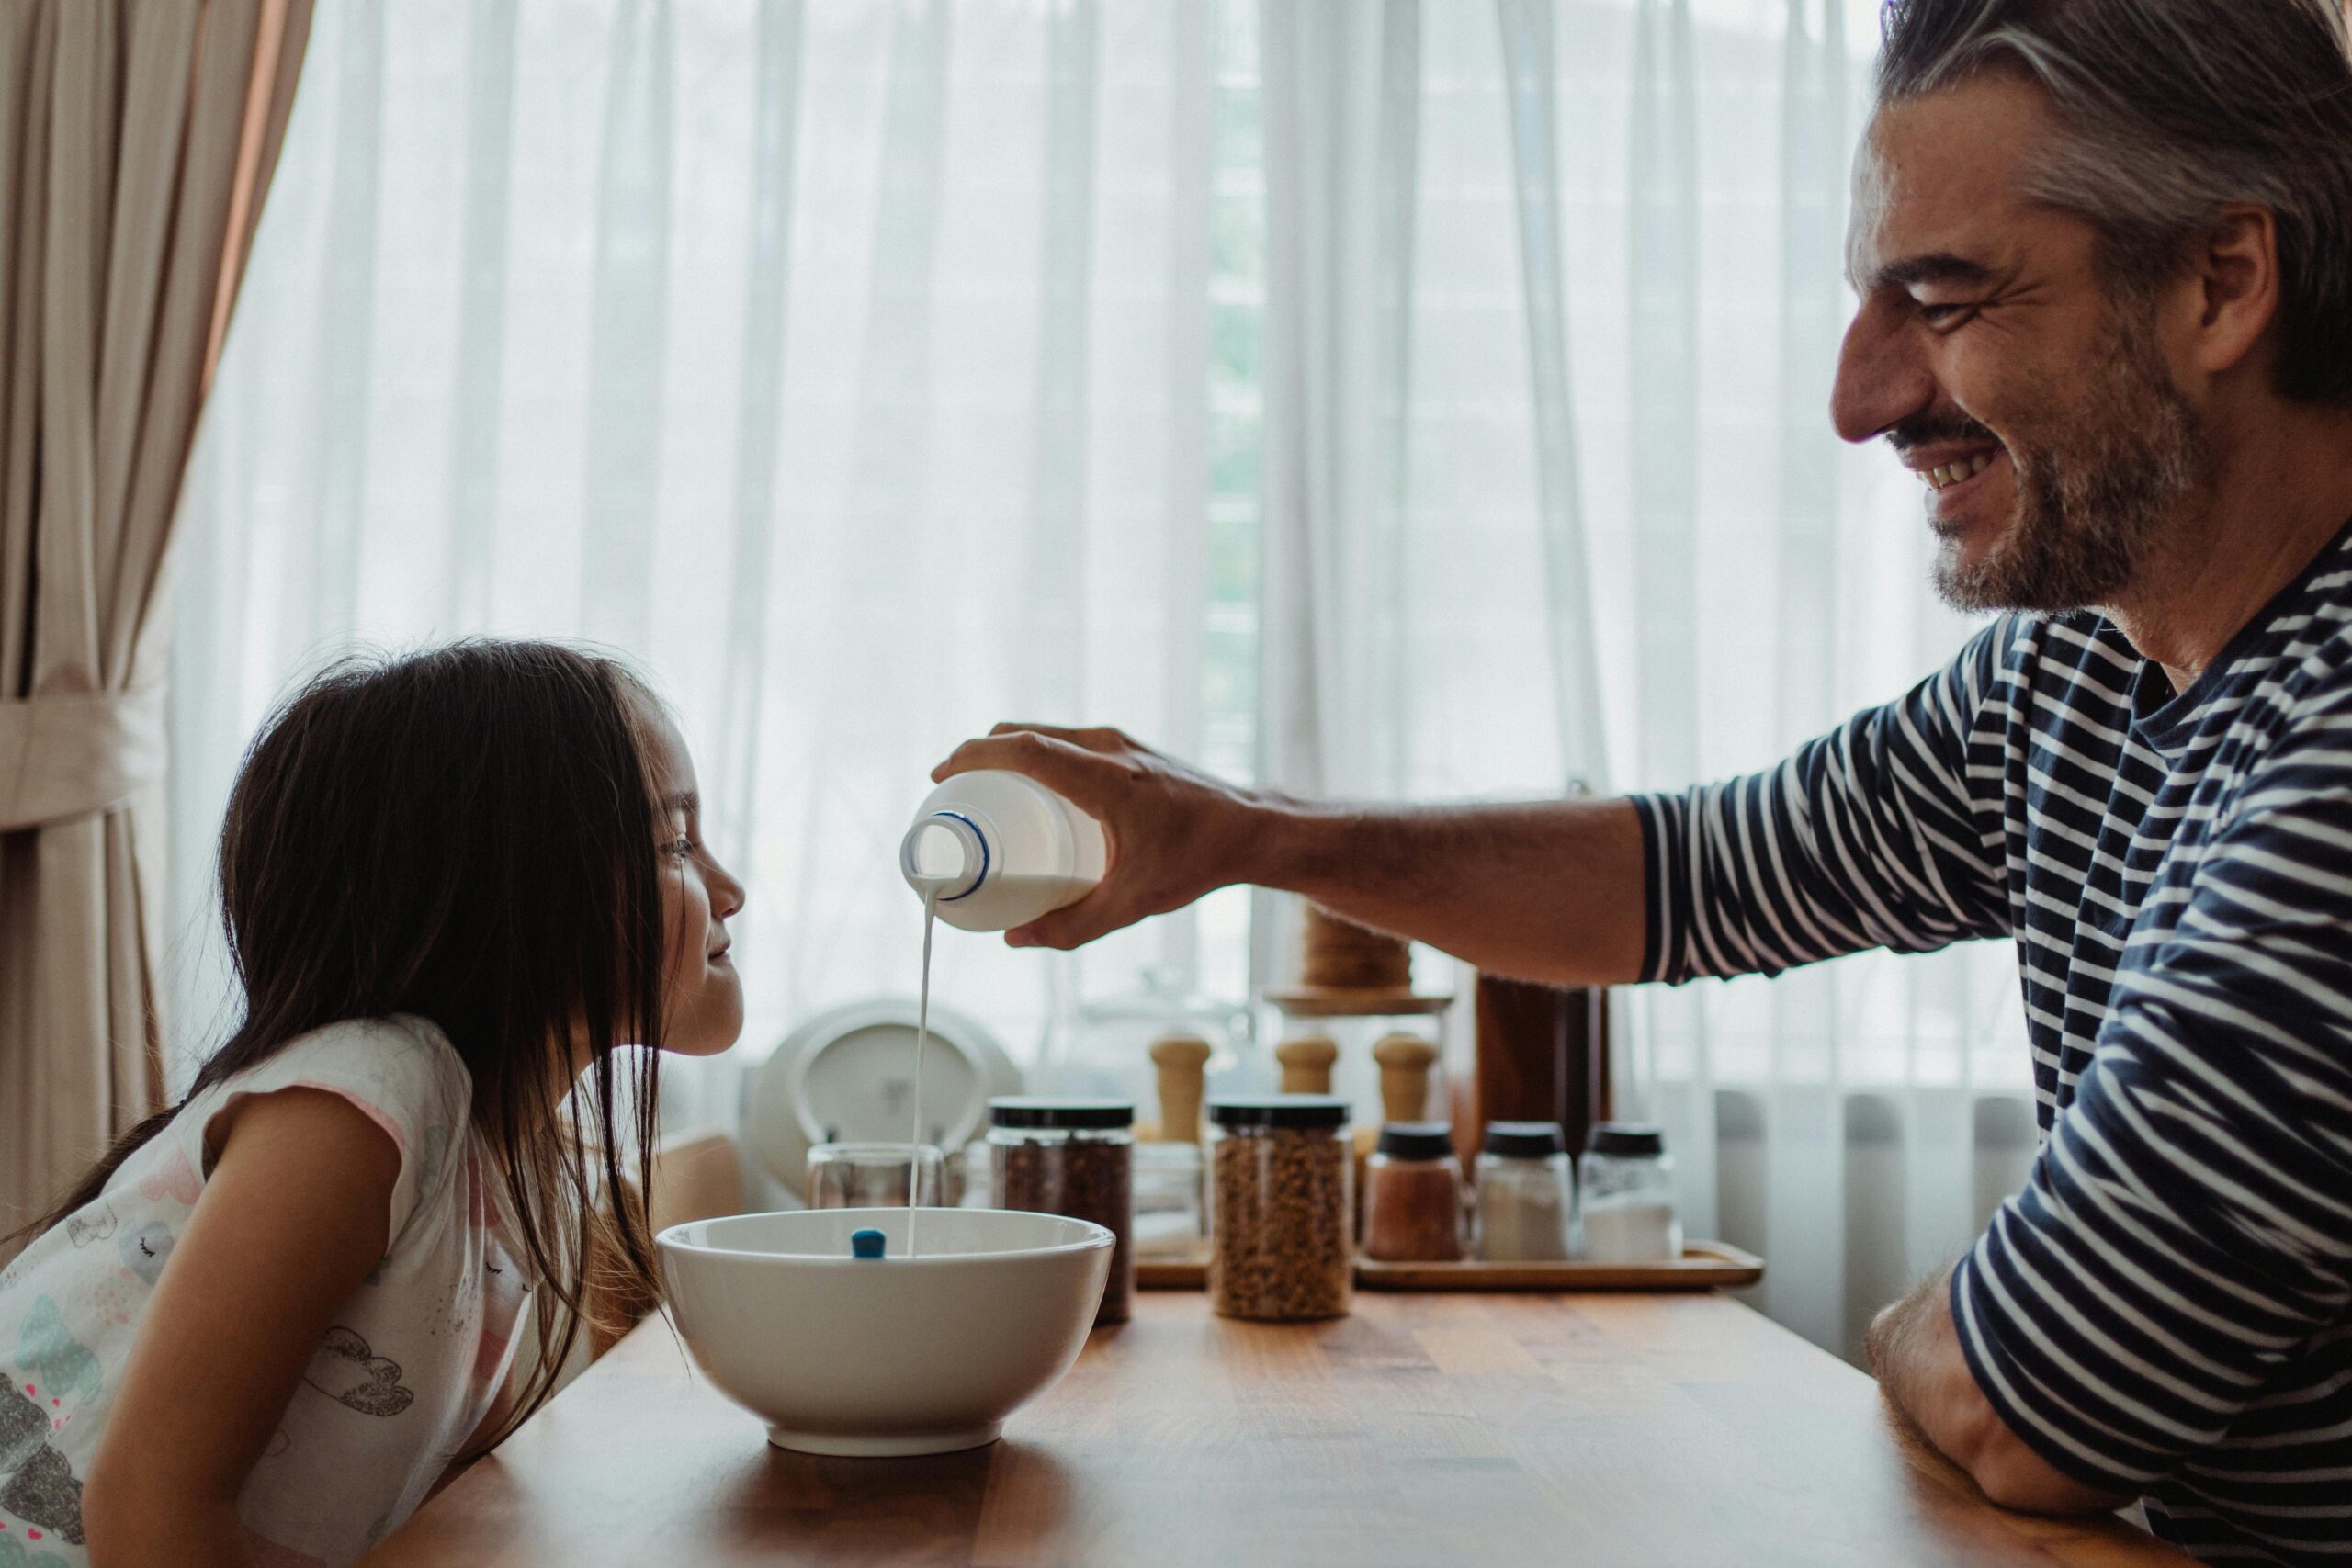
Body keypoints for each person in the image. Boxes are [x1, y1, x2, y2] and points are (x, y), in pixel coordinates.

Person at [933, 1, 2352, 1562]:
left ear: (2223, 281)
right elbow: (1685, 877)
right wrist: (1242, 835)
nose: (1862, 398)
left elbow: (2033, 1401)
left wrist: (1911, 1324)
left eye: (1942, 300)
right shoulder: (2076, 679)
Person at [0, 642, 747, 1568]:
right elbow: (151, 1520)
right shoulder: (362, 1101)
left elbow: (458, 1506)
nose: (729, 890)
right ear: (509, 887)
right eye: (674, 843)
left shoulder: (519, 1166)